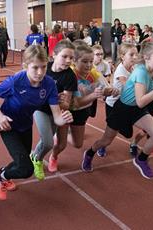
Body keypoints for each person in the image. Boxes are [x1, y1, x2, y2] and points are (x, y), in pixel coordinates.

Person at [0, 45, 73, 201]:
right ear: (26, 65)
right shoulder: (16, 81)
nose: (40, 72)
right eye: (35, 67)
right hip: (8, 125)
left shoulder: (49, 84)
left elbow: (56, 117)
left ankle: (5, 173)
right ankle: (3, 176)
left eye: (43, 67)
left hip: (26, 126)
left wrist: (65, 118)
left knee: (20, 161)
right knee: (26, 169)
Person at [82, 41, 153, 179]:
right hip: (122, 109)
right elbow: (141, 101)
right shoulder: (140, 72)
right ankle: (89, 153)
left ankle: (141, 159)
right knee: (106, 141)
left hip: (137, 110)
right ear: (147, 58)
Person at [48, 44, 118, 172]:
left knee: (78, 144)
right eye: (84, 61)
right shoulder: (71, 75)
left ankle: (64, 134)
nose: (89, 65)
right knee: (61, 144)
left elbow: (105, 87)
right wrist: (94, 95)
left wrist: (111, 90)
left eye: (91, 61)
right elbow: (73, 103)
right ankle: (54, 156)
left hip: (82, 112)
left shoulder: (94, 72)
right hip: (67, 110)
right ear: (75, 61)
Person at [30, 40, 77, 180]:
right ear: (54, 55)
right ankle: (37, 159)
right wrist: (52, 97)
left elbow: (66, 104)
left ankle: (53, 157)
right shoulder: (44, 69)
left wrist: (58, 100)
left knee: (61, 144)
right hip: (42, 109)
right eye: (64, 56)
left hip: (59, 111)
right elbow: (34, 91)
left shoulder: (70, 76)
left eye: (71, 58)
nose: (68, 61)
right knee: (48, 141)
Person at [98, 43, 138, 157]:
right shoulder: (121, 70)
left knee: (127, 133)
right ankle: (102, 146)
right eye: (131, 54)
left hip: (125, 104)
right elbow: (128, 87)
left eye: (136, 54)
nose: (135, 57)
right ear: (122, 56)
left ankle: (120, 126)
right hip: (113, 104)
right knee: (110, 131)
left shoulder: (134, 68)